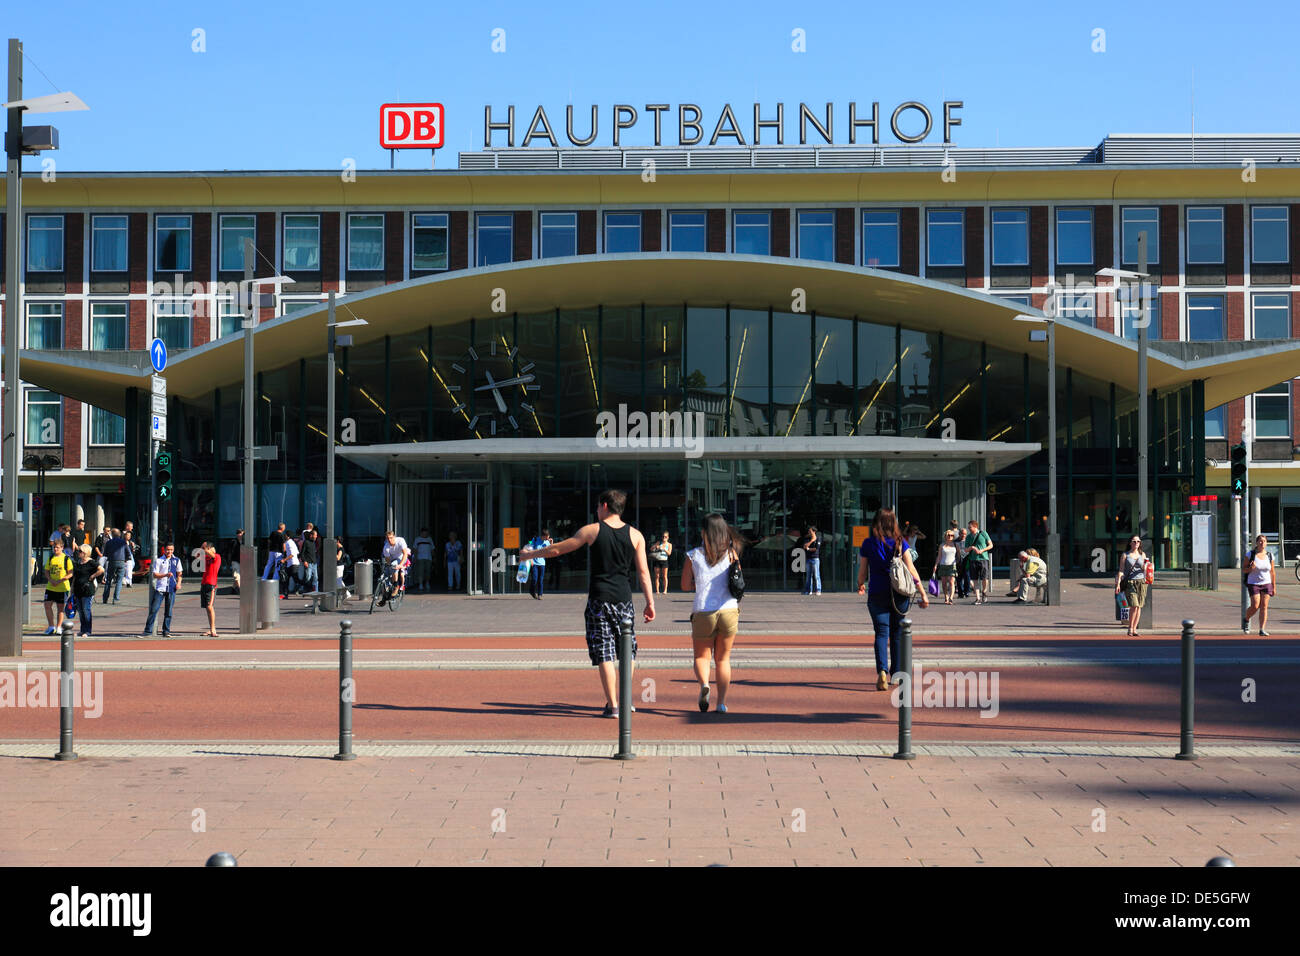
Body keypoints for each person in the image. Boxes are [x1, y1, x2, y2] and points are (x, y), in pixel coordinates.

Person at [518, 489, 655, 717]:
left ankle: (613, 705)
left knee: (604, 653)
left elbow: (558, 548)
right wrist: (650, 602)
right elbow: (643, 572)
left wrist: (529, 555)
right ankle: (626, 699)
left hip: (599, 599)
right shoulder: (636, 535)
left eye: (597, 506)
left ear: (604, 506)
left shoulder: (592, 530)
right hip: (624, 599)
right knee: (627, 650)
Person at [857, 508, 929, 690]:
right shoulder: (900, 542)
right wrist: (922, 592)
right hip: (899, 593)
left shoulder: (868, 543)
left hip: (877, 592)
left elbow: (863, 572)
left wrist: (860, 584)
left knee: (881, 632)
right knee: (897, 633)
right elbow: (911, 569)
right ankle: (896, 673)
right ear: (894, 523)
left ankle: (881, 670)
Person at [681, 514, 743, 714]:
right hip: (729, 609)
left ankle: (704, 685)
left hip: (703, 611)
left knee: (701, 656)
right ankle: (722, 703)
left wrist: (697, 583)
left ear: (703, 533)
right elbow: (738, 580)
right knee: (723, 659)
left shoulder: (693, 555)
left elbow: (683, 585)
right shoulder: (733, 554)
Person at [141, 542, 183, 637]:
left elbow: (179, 574)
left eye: (171, 550)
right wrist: (165, 575)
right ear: (164, 550)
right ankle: (147, 631)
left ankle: (166, 631)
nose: (169, 551)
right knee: (154, 609)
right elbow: (155, 574)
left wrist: (179, 583)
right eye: (168, 549)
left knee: (168, 611)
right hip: (160, 588)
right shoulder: (159, 560)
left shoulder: (176, 560)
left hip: (171, 589)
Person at [1114, 536, 1150, 637]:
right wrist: (1118, 584)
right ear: (1130, 543)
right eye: (1134, 541)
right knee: (1134, 605)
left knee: (1138, 607)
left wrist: (1147, 566)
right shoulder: (1125, 555)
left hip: (1141, 582)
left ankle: (1134, 629)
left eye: (1138, 541)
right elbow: (1121, 570)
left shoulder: (1142, 554)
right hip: (1130, 582)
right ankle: (1130, 628)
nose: (1136, 543)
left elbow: (1145, 569)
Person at [1243, 535, 1274, 636]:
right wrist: (1251, 568)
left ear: (1266, 543)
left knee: (1264, 606)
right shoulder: (1250, 554)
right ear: (1256, 543)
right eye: (1260, 541)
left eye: (1264, 541)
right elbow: (1244, 569)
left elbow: (1272, 572)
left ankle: (1262, 629)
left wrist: (1274, 586)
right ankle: (1246, 619)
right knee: (1255, 605)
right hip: (1253, 583)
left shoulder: (1270, 555)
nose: (1262, 543)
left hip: (1266, 583)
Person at [71, 544, 104, 636]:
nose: (79, 553)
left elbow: (101, 570)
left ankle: (88, 631)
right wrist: (72, 590)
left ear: (85, 553)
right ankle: (82, 630)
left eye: (80, 551)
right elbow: (75, 577)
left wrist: (93, 576)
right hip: (78, 589)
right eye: (79, 551)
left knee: (86, 610)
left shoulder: (91, 562)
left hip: (87, 589)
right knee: (80, 611)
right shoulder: (78, 562)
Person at [43, 539, 74, 635]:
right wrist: (50, 579)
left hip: (62, 587)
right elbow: (47, 571)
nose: (55, 549)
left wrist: (61, 580)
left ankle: (59, 627)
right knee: (47, 605)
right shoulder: (51, 557)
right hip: (50, 586)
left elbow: (70, 573)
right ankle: (51, 626)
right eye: (54, 547)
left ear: (62, 548)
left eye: (57, 547)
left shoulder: (66, 559)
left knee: (60, 608)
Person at [378, 530, 411, 603]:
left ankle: (396, 586)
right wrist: (389, 567)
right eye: (388, 538)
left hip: (401, 558)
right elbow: (388, 560)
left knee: (394, 565)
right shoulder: (386, 547)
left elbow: (405, 554)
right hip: (392, 560)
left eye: (391, 538)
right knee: (384, 577)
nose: (389, 540)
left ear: (394, 537)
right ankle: (384, 598)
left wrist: (400, 565)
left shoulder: (400, 540)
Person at [964, 519, 993, 604]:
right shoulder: (969, 537)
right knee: (974, 579)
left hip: (983, 558)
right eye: (969, 527)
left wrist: (982, 550)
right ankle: (978, 598)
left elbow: (991, 545)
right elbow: (966, 550)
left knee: (984, 578)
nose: (969, 529)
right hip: (973, 559)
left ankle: (984, 592)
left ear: (975, 526)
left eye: (970, 527)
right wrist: (971, 548)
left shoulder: (983, 533)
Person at [200, 541, 222, 636]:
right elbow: (197, 555)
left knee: (209, 606)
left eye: (204, 547)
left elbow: (211, 554)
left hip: (211, 585)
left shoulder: (217, 556)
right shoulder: (206, 557)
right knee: (207, 608)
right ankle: (211, 628)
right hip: (204, 584)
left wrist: (207, 549)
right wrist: (203, 549)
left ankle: (213, 629)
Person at [101, 528, 129, 604]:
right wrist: (125, 559)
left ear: (112, 535)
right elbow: (128, 553)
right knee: (119, 581)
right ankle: (115, 599)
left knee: (108, 580)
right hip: (121, 562)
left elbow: (105, 554)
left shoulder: (109, 542)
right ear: (119, 534)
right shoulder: (123, 542)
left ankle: (105, 599)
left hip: (112, 562)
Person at [933, 529, 959, 604]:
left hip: (952, 565)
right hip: (943, 565)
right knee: (944, 583)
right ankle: (946, 597)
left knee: (951, 582)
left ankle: (951, 598)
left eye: (952, 535)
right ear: (945, 536)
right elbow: (939, 556)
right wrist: (935, 565)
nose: (950, 537)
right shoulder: (942, 545)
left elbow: (959, 555)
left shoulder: (955, 545)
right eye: (948, 535)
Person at [526, 530, 552, 599]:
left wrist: (551, 543)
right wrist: (530, 559)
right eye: (546, 537)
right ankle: (532, 591)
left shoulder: (547, 542)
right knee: (534, 579)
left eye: (548, 537)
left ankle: (540, 594)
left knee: (540, 580)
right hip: (534, 563)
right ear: (543, 536)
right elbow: (529, 548)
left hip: (542, 563)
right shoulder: (534, 539)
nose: (547, 539)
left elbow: (551, 551)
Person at [802, 526, 822, 596]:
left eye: (810, 531)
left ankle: (818, 590)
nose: (809, 532)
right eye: (809, 531)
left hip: (815, 559)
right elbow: (805, 546)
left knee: (816, 575)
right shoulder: (807, 538)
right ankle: (808, 590)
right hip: (808, 558)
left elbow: (816, 549)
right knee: (808, 576)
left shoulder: (818, 538)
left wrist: (808, 549)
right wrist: (812, 541)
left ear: (814, 531)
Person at [280, 532, 301, 597]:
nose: (284, 536)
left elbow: (292, 554)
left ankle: (303, 585)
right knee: (287, 579)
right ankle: (286, 594)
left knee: (294, 579)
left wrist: (284, 560)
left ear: (288, 536)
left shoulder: (289, 543)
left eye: (285, 535)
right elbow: (297, 552)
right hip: (292, 563)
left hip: (293, 564)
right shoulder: (290, 542)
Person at [300, 528, 319, 594]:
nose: (316, 537)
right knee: (308, 577)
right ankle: (303, 589)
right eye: (315, 535)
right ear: (311, 535)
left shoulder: (314, 542)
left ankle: (316, 591)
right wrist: (304, 561)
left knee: (316, 578)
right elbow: (302, 553)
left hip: (314, 563)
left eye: (316, 535)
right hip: (308, 563)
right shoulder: (306, 542)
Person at [228, 530, 245, 595]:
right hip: (235, 560)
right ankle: (241, 589)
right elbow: (230, 551)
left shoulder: (245, 541)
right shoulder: (233, 541)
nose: (240, 535)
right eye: (239, 533)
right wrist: (229, 560)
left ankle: (233, 589)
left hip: (243, 560)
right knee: (236, 575)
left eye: (241, 534)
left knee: (239, 575)